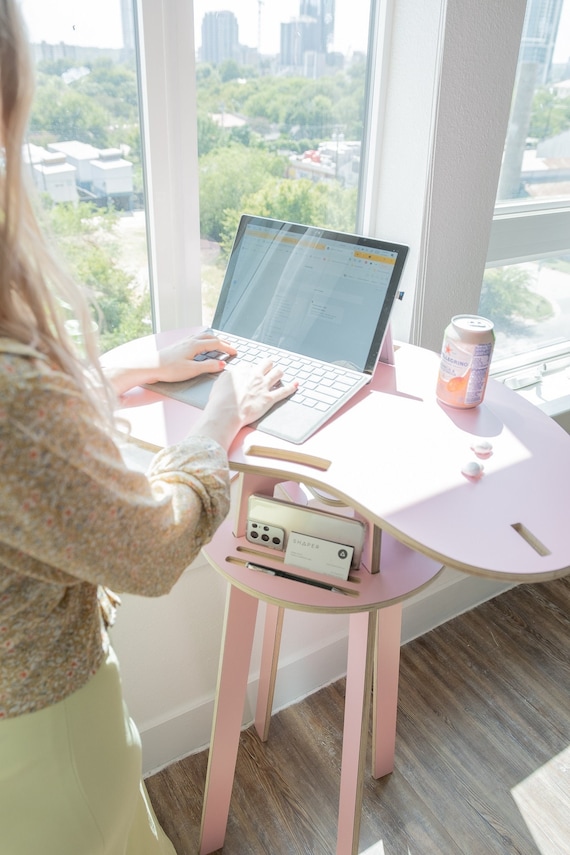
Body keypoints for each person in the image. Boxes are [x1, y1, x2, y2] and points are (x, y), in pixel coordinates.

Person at [0, 2, 297, 852]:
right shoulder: (14, 394)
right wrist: (224, 411)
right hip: (38, 739)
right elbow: (155, 547)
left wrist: (122, 373)